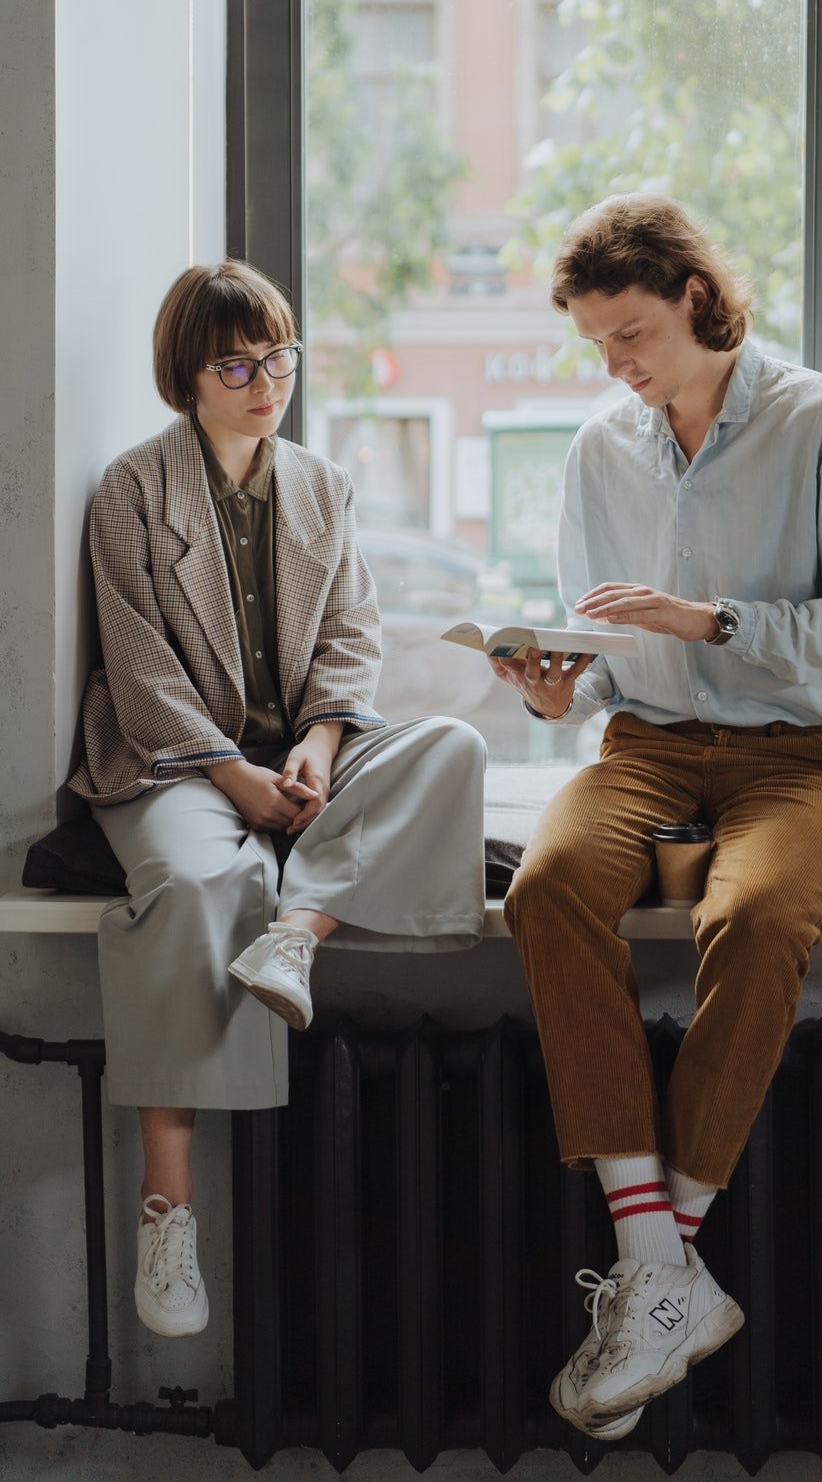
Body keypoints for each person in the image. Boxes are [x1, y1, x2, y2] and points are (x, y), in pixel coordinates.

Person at [493, 195, 822, 1439]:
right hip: (645, 743)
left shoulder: (819, 418)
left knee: (765, 912)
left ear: (693, 294)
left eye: (630, 334)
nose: (616, 368)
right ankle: (660, 1263)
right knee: (547, 885)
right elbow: (602, 647)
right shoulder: (598, 448)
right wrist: (551, 683)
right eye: (595, 347)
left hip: (798, 753)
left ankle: (656, 1273)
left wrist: (714, 619)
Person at [69, 259, 485, 1339]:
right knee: (201, 882)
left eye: (279, 356)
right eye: (238, 363)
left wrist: (320, 737)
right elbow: (140, 668)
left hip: (303, 747)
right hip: (176, 759)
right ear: (189, 376)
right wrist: (231, 771)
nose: (267, 381)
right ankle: (169, 1206)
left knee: (447, 748)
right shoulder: (130, 490)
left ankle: (296, 935)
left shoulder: (321, 485)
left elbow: (353, 633)